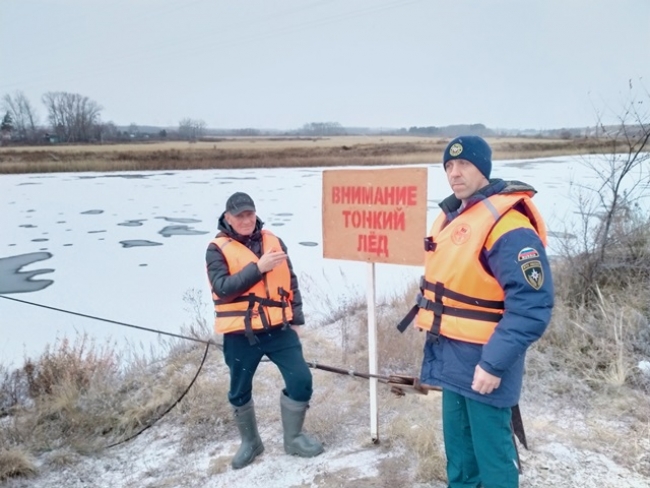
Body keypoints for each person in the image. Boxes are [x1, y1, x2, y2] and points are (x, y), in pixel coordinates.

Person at [397, 136, 554, 488]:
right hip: (450, 357)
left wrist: (494, 364)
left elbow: (532, 306)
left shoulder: (508, 226)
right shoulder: (456, 216)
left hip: (486, 362)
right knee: (461, 456)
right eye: (449, 166)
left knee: (493, 458)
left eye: (464, 164)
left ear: (483, 168)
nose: (455, 173)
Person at [206, 191, 324, 469]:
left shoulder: (274, 241)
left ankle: (293, 439)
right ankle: (251, 443)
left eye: (249, 214)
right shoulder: (216, 249)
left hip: (278, 329)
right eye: (239, 216)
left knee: (301, 381)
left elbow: (290, 282)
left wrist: (296, 320)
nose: (246, 220)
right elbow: (223, 289)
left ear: (255, 213)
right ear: (227, 218)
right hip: (240, 335)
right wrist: (258, 268)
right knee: (239, 391)